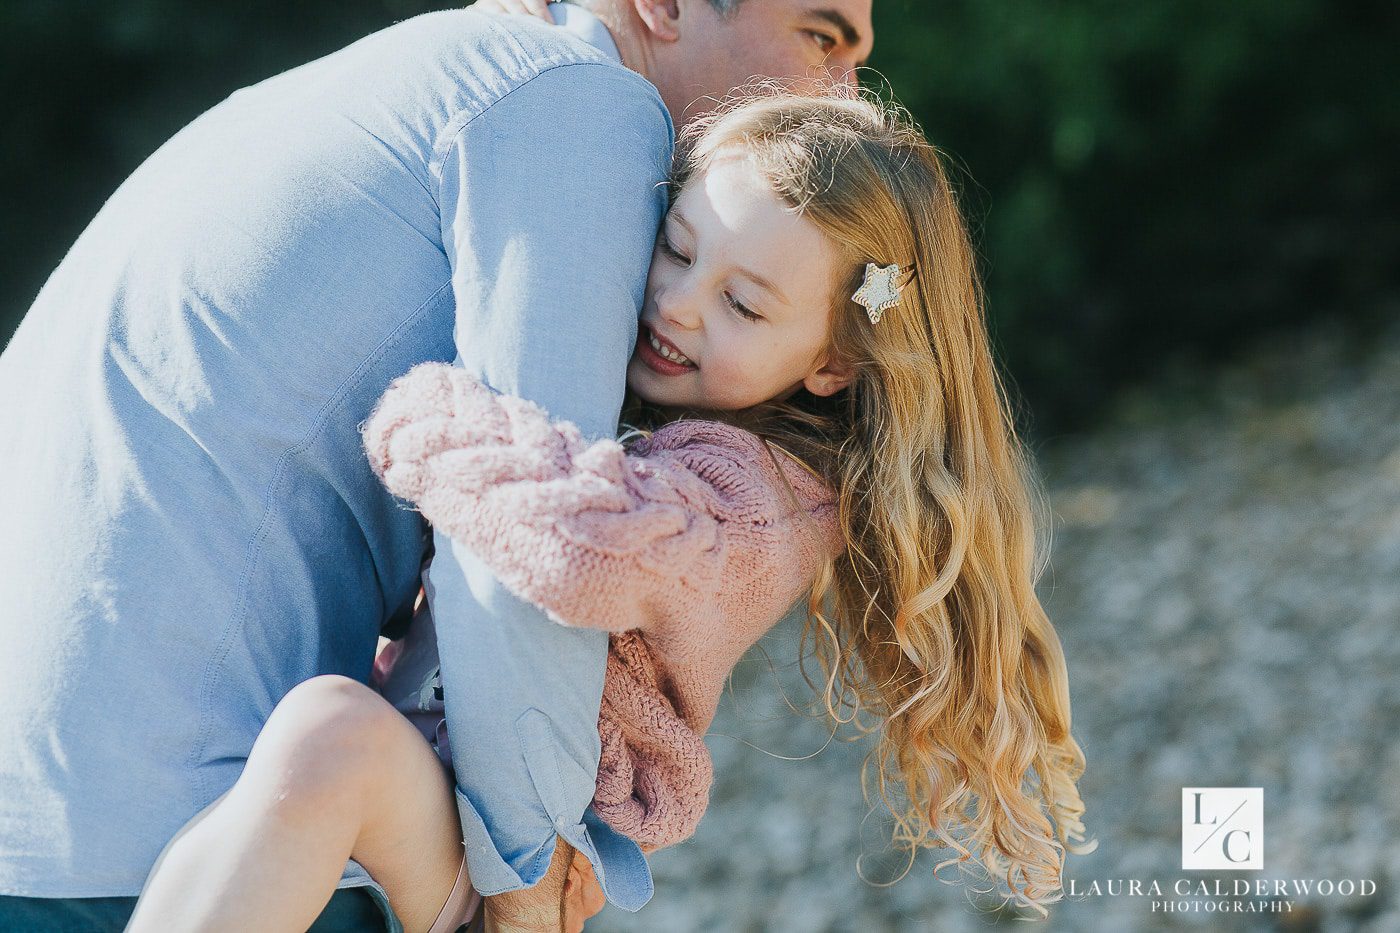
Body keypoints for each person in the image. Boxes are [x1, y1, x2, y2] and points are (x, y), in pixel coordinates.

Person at [125, 91, 1097, 933]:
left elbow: (579, 545)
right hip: (434, 775)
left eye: (742, 306)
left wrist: (421, 414)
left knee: (327, 737)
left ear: (832, 364)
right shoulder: (681, 416)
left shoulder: (756, 502)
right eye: (675, 250)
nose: (676, 305)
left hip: (501, 851)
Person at [0, 0, 873, 930]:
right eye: (822, 37)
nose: (849, 93)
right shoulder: (586, 111)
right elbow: (518, 575)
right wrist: (528, 888)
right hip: (168, 833)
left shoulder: (401, 74)